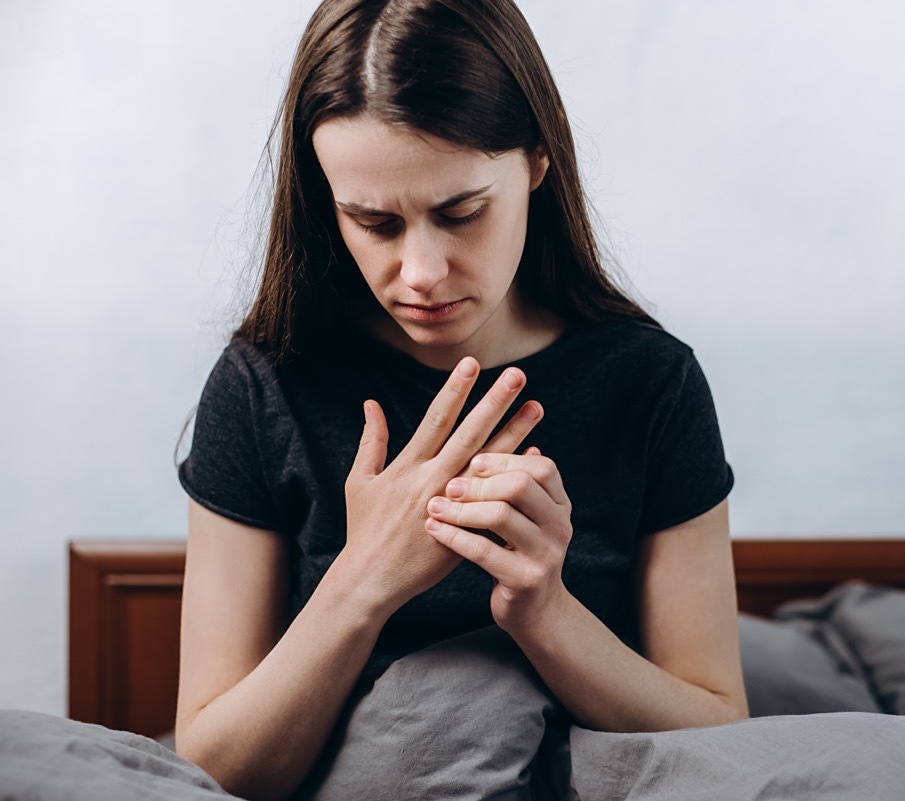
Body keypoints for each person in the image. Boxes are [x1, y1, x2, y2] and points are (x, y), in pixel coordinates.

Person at [174, 0, 747, 798]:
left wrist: (542, 610)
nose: (421, 272)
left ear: (537, 162)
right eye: (372, 220)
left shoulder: (649, 381)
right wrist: (365, 579)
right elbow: (209, 768)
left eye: (461, 212)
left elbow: (720, 729)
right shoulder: (266, 382)